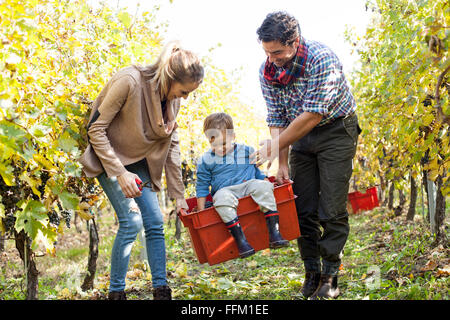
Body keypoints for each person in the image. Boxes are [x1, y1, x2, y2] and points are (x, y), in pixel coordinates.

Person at [79, 41, 204, 300]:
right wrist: (119, 173)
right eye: (183, 91)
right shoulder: (129, 81)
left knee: (156, 223)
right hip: (109, 157)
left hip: (138, 161)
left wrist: (178, 195)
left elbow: (171, 146)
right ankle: (116, 293)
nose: (184, 98)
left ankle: (161, 289)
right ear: (170, 77)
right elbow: (95, 129)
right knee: (131, 222)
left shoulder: (172, 101)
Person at [252, 12, 361, 299]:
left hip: (335, 130)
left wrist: (272, 147)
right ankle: (311, 272)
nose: (271, 58)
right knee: (302, 209)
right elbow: (278, 117)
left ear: (294, 41)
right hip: (298, 135)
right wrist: (282, 162)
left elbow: (312, 115)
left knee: (332, 209)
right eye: (266, 51)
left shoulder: (320, 59)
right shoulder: (269, 70)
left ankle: (330, 278)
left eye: (276, 51)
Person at [195, 112, 289, 258]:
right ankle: (241, 242)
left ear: (233, 137)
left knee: (263, 187)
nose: (220, 148)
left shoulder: (246, 151)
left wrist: (265, 181)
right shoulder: (206, 160)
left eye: (224, 143)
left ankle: (274, 233)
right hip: (225, 191)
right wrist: (201, 211)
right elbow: (201, 186)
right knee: (220, 198)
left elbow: (256, 171)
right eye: (215, 145)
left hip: (248, 185)